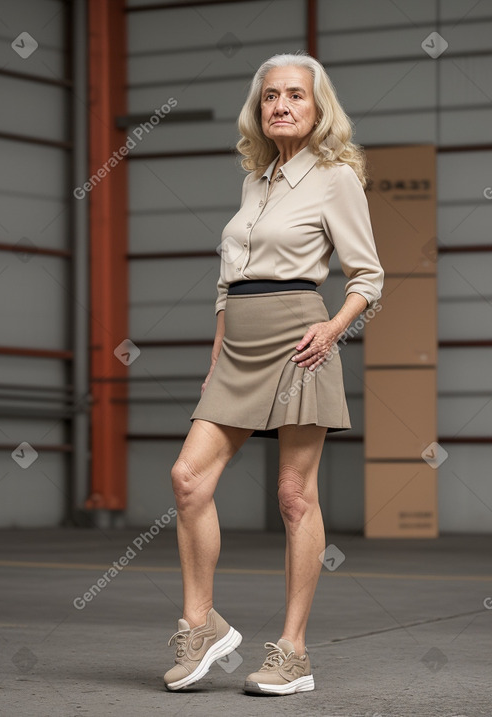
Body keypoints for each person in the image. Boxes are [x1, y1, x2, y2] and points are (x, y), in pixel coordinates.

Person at [163, 50, 384, 695]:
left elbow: (367, 276)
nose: (281, 106)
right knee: (187, 478)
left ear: (318, 110)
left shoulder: (336, 176)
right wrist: (217, 352)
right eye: (271, 97)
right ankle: (201, 626)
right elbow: (230, 282)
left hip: (298, 338)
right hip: (239, 342)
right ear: (258, 111)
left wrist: (334, 326)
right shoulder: (255, 180)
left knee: (295, 495)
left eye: (295, 96)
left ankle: (293, 650)